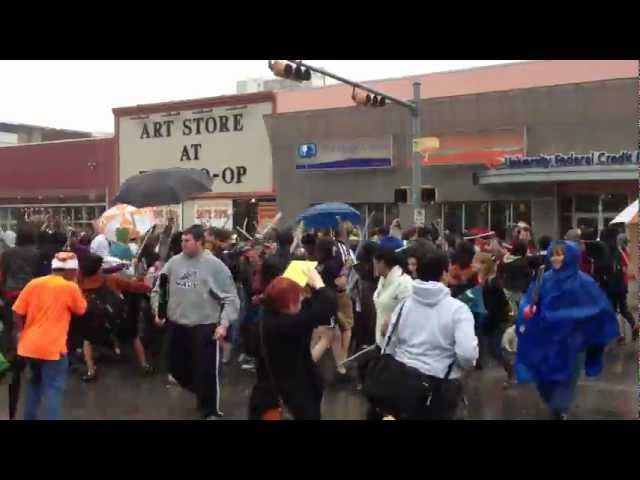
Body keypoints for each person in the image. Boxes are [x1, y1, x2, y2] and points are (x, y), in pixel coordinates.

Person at [515, 240, 619, 420]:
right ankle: (554, 405)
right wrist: (527, 310)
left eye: (560, 254)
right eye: (553, 254)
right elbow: (530, 298)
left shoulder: (584, 282)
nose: (556, 258)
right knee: (544, 378)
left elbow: (599, 306)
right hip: (547, 339)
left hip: (572, 342)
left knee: (566, 380)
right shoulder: (544, 278)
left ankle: (559, 410)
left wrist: (575, 320)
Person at [151, 225, 240, 420]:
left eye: (187, 240)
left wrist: (224, 323)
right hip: (177, 324)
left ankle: (210, 411)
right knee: (175, 368)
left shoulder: (214, 265)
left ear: (200, 242)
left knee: (207, 370)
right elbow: (161, 289)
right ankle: (202, 391)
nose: (183, 244)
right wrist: (159, 310)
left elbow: (231, 298)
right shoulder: (174, 263)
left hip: (205, 325)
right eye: (182, 240)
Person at [379, 249, 478, 420]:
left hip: (404, 383)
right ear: (444, 273)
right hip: (441, 386)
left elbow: (389, 346)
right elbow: (467, 354)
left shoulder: (404, 306)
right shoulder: (458, 310)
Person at [248, 269, 337, 420]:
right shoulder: (285, 326)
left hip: (274, 389)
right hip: (291, 396)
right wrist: (318, 283)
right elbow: (326, 307)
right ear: (288, 304)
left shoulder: (269, 312)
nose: (303, 299)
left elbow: (310, 307)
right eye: (299, 298)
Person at [12, 252, 88, 420]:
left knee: (34, 384)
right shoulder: (70, 287)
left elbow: (17, 311)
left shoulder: (34, 283)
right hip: (54, 348)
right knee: (53, 388)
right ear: (71, 271)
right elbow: (81, 309)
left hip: (29, 346)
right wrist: (75, 284)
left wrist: (21, 330)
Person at [77, 253, 152, 382]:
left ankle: (91, 371)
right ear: (99, 267)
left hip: (95, 324)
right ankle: (144, 364)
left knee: (87, 340)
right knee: (134, 336)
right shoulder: (110, 279)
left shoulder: (79, 283)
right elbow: (134, 287)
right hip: (117, 321)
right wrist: (146, 283)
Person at [472, 252, 514, 387]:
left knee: (495, 349)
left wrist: (486, 323)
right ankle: (512, 372)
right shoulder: (486, 281)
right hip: (494, 320)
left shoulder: (491, 283)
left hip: (497, 321)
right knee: (492, 349)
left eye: (476, 262)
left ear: (484, 265)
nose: (473, 264)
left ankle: (512, 373)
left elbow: (494, 307)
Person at [0, 227, 41, 357]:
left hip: (10, 292)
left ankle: (8, 354)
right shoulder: (37, 254)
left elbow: (3, 273)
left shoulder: (7, 254)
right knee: (31, 324)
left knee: (8, 325)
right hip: (30, 292)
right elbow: (38, 274)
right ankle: (29, 352)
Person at [599, 227, 638, 344]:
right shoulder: (619, 250)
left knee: (611, 311)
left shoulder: (605, 250)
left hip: (611, 286)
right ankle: (634, 325)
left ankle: (618, 335)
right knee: (623, 308)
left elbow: (603, 268)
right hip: (621, 285)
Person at [372, 247, 413, 348]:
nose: (374, 267)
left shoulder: (405, 284)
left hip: (397, 345)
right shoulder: (382, 280)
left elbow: (408, 314)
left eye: (375, 264)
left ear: (382, 263)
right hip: (381, 340)